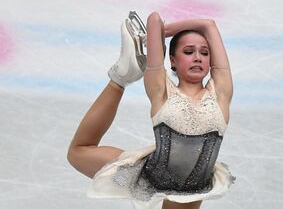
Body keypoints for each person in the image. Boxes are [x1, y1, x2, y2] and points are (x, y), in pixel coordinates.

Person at [67, 11, 234, 209]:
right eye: (188, 52)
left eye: (204, 53)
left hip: (191, 190)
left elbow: (209, 25)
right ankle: (120, 77)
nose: (198, 57)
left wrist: (174, 29)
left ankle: (123, 75)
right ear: (172, 60)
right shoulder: (161, 90)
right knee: (78, 153)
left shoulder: (221, 92)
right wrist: (163, 32)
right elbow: (154, 20)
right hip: (151, 173)